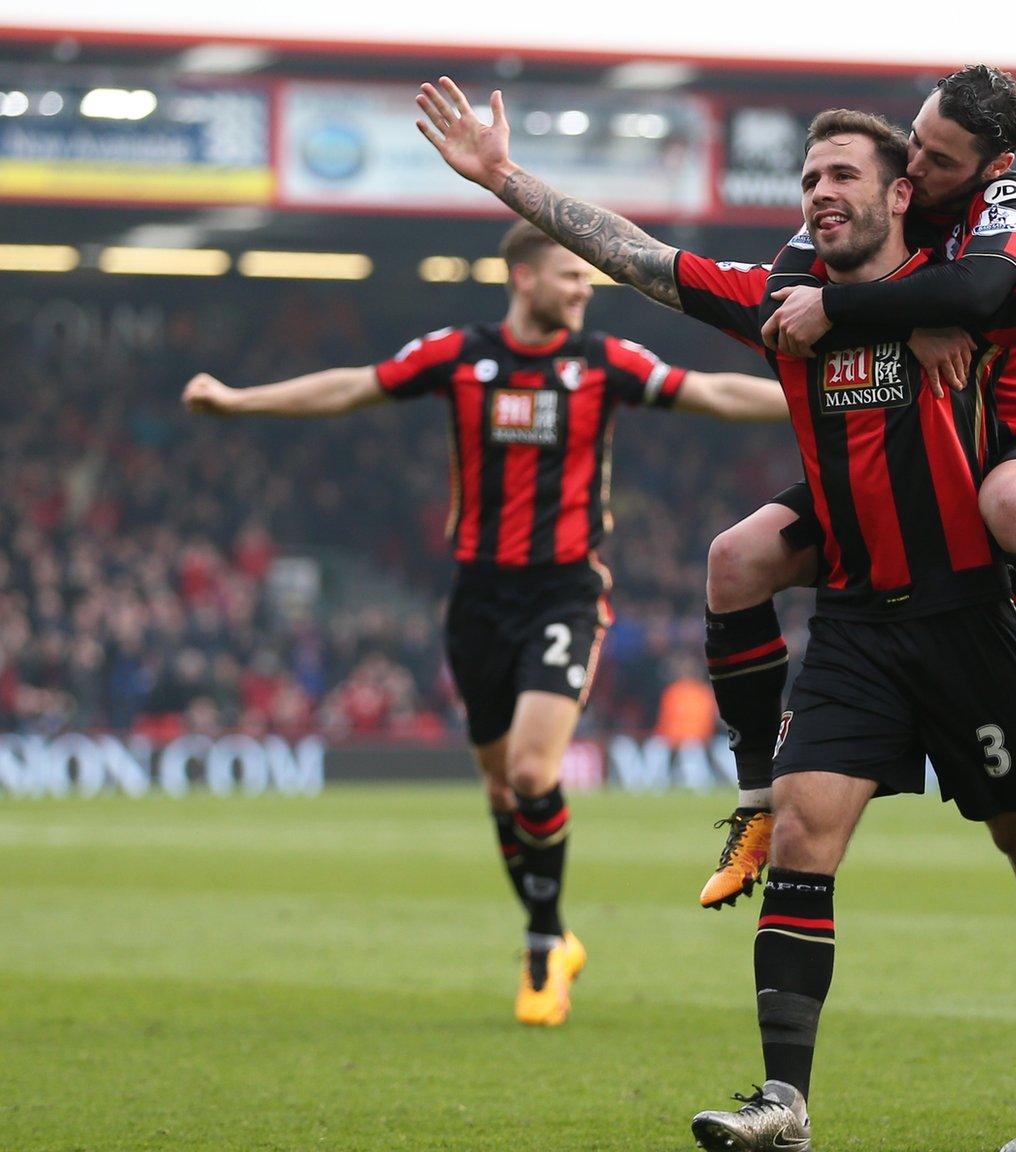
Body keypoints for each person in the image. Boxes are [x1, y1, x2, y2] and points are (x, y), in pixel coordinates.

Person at [414, 74, 1016, 1152]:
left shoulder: (970, 299)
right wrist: (500, 177)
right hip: (856, 620)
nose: (816, 192)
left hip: (974, 616)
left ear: (904, 194)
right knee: (803, 830)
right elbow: (633, 253)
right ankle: (781, 1100)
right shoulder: (779, 297)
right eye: (807, 178)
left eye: (841, 174)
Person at [181, 221, 788, 1027]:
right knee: (503, 790)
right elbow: (352, 385)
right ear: (525, 277)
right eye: (571, 276)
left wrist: (822, 400)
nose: (583, 289)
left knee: (536, 774)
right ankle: (552, 930)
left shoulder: (601, 364)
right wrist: (238, 401)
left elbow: (710, 392)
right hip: (476, 602)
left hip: (566, 592)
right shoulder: (460, 357)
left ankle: (542, 946)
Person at [698, 64, 1016, 916]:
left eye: (940, 157)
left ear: (989, 168)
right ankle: (754, 800)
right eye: (917, 140)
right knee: (735, 557)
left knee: (1010, 505)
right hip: (892, 476)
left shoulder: (1009, 210)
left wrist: (865, 310)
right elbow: (782, 289)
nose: (920, 164)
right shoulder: (863, 211)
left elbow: (981, 288)